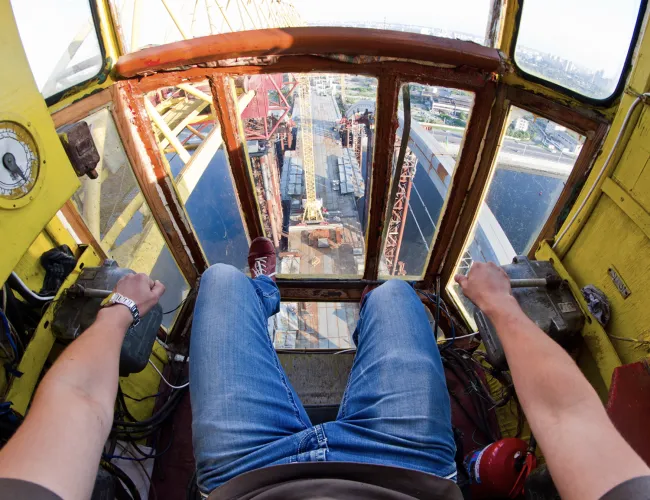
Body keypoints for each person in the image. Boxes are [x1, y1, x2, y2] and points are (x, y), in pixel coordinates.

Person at [0, 238, 647, 499]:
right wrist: (501, 305)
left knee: (221, 280)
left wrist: (120, 308)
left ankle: (264, 290)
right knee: (396, 294)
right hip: (408, 469)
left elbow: (80, 404)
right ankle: (374, 319)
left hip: (247, 475)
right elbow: (568, 417)